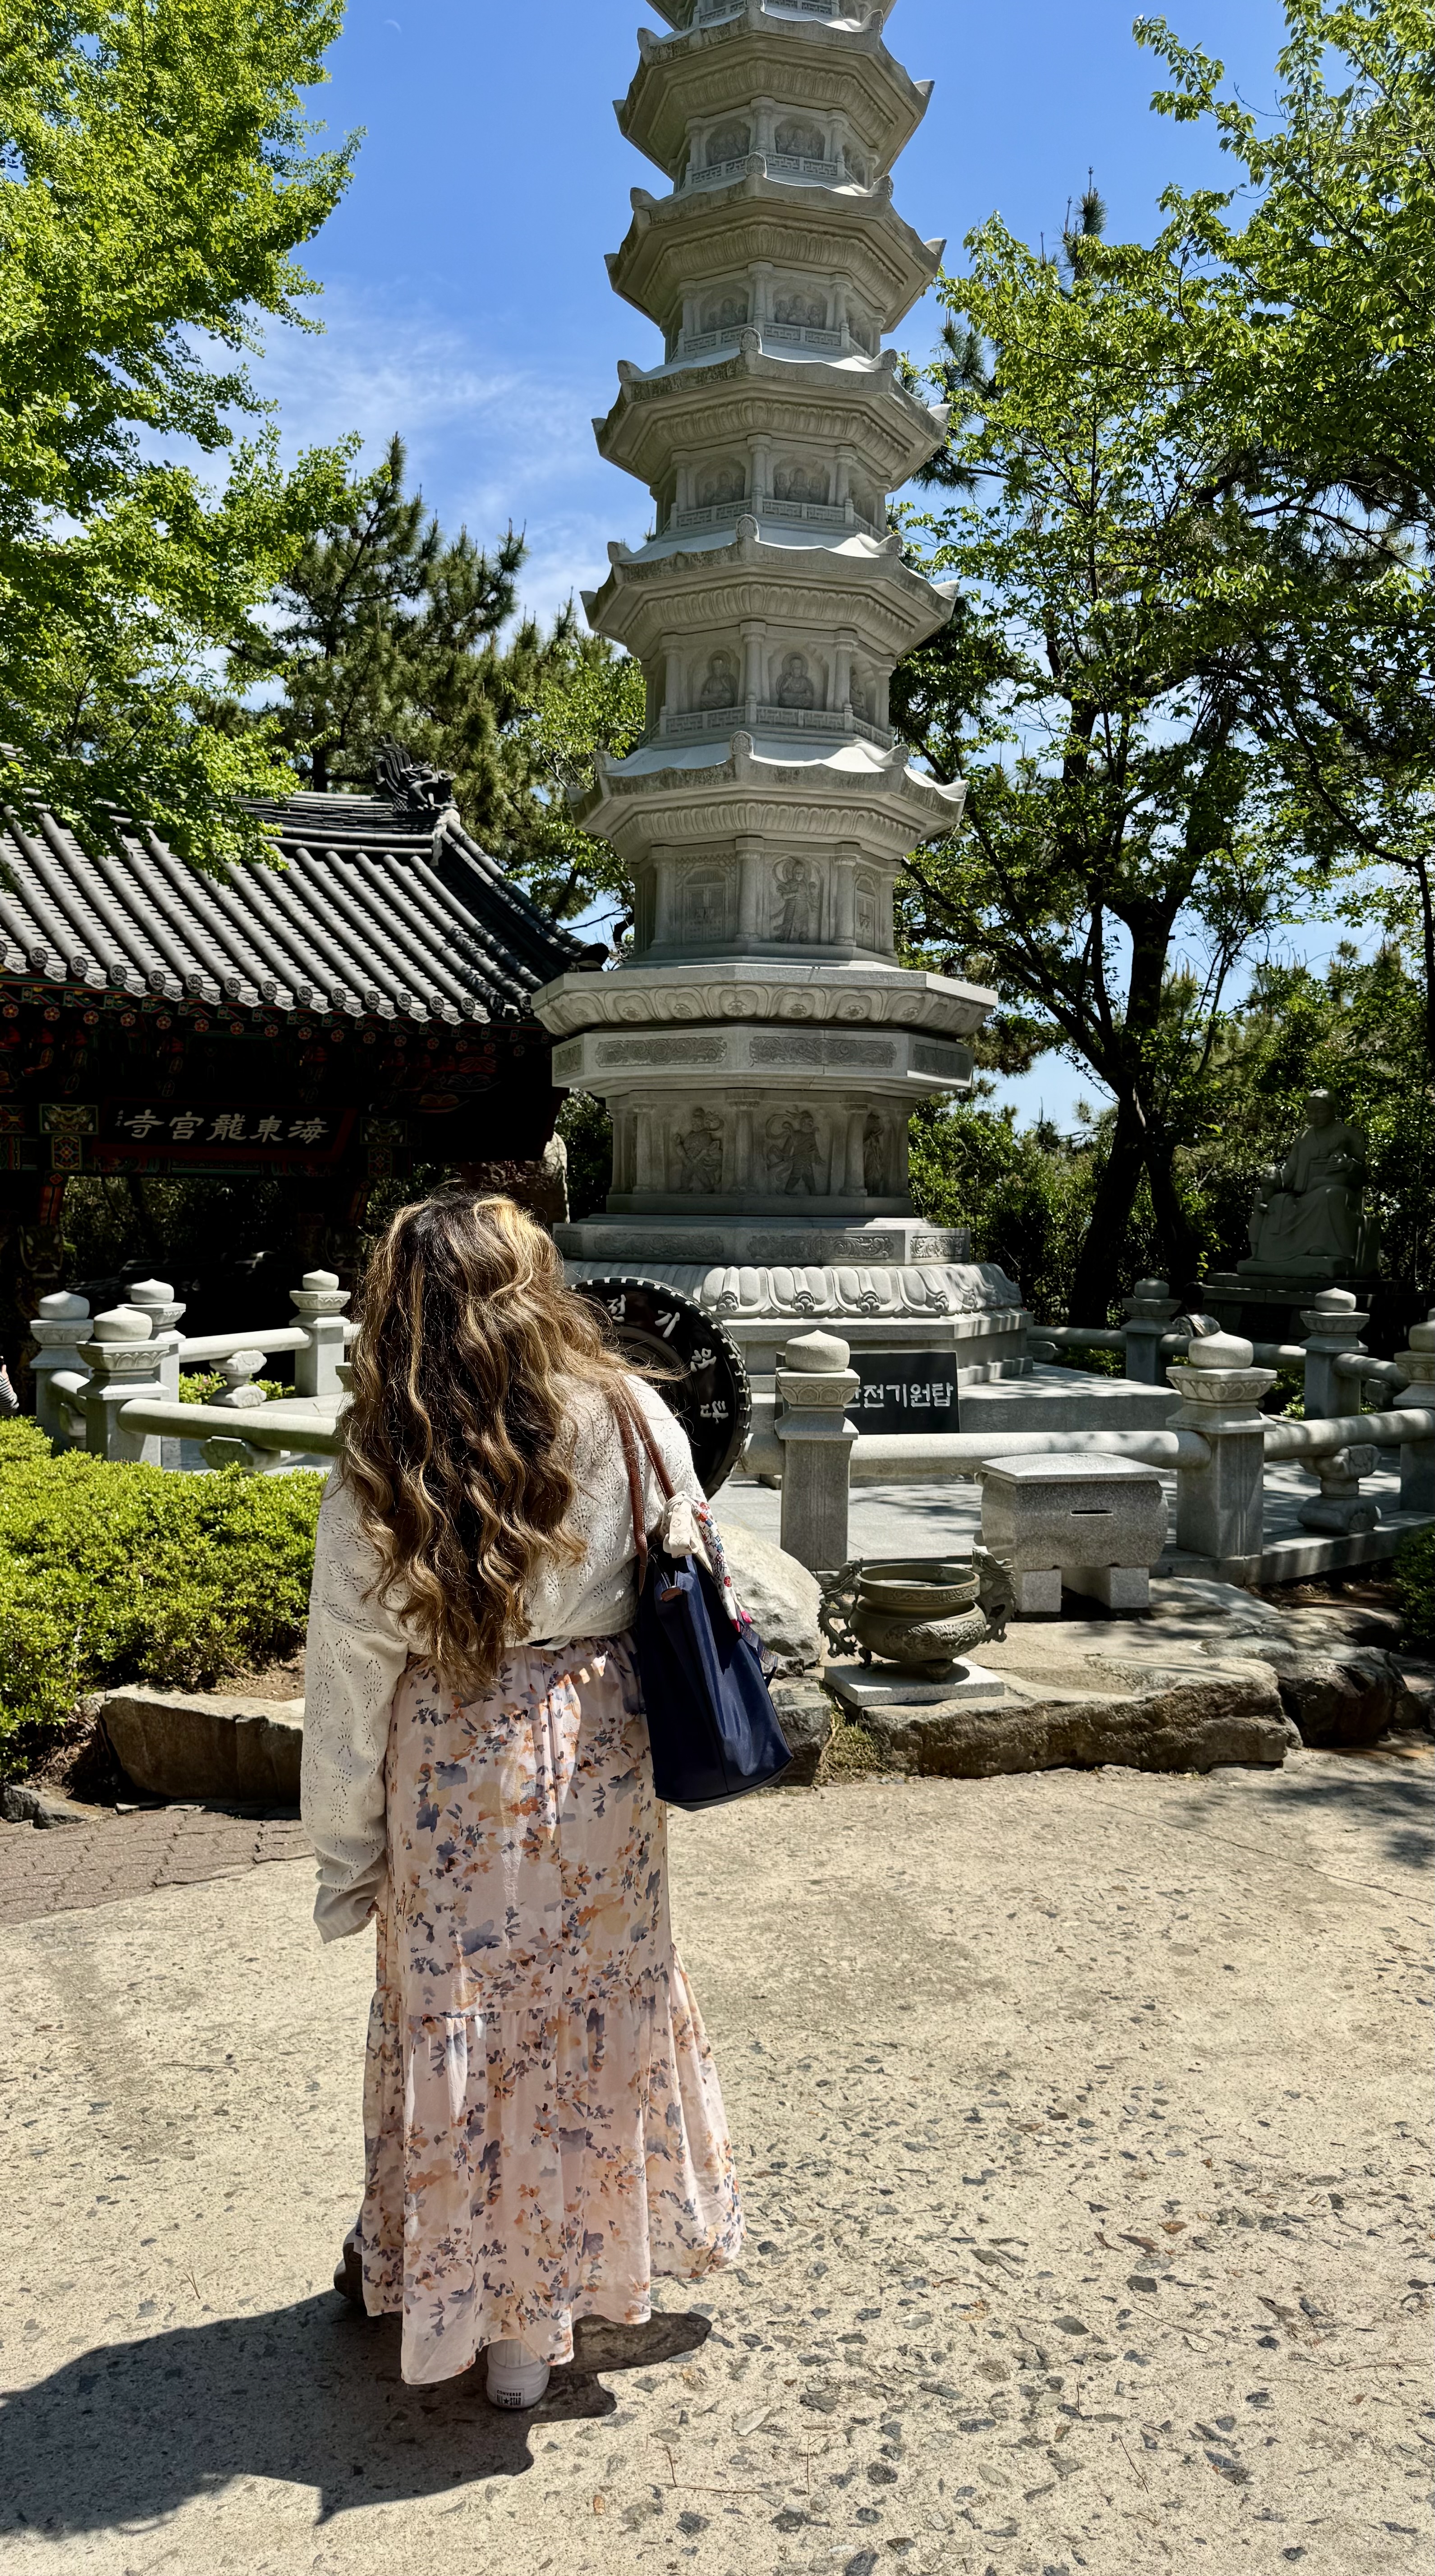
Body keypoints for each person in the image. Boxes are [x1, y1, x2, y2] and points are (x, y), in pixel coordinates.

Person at [301, 1195, 744, 2406]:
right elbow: (694, 1559)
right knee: (592, 2014)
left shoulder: (382, 1457)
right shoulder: (633, 1415)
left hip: (450, 1763)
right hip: (601, 1753)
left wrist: (345, 1860)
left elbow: (349, 1673)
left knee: (467, 2028)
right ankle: (564, 2299)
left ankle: (484, 2315)